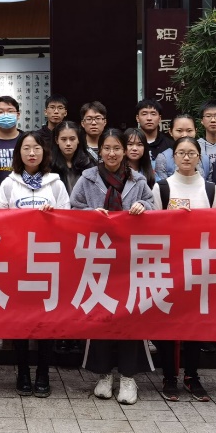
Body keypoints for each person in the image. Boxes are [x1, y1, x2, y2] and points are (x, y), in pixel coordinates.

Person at [70, 128, 154, 406]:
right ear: (100, 151)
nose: (112, 153)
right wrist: (89, 214)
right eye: (106, 148)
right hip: (98, 257)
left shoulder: (138, 180)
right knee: (101, 314)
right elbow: (72, 209)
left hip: (130, 259)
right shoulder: (87, 178)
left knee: (130, 315)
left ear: (125, 150)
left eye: (117, 148)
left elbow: (154, 206)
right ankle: (104, 375)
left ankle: (128, 377)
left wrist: (142, 205)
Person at [0, 130, 70, 398]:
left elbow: (68, 220)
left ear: (44, 152)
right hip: (18, 261)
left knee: (46, 318)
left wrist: (54, 217)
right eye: (26, 148)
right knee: (20, 319)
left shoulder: (56, 184)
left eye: (36, 148)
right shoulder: (9, 184)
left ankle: (43, 372)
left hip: (47, 261)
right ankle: (23, 372)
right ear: (19, 153)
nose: (31, 153)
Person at [151, 137, 216, 403]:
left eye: (192, 153)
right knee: (168, 322)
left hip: (199, 266)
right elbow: (154, 228)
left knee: (195, 324)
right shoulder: (162, 187)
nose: (187, 157)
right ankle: (169, 376)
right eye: (181, 153)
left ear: (199, 157)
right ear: (174, 158)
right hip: (168, 266)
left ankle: (192, 375)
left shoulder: (211, 189)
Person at [153, 114, 205, 182]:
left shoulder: (204, 158)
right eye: (179, 131)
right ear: (170, 132)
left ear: (195, 131)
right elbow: (163, 186)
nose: (184, 135)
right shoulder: (163, 158)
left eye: (189, 130)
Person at [51, 121, 94, 196]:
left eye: (72, 139)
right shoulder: (49, 164)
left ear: (78, 140)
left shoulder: (88, 163)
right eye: (63, 139)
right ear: (57, 140)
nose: (68, 143)